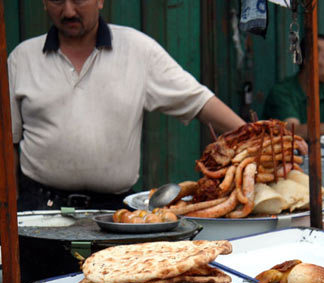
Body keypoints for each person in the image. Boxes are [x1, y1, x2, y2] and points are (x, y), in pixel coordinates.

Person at [9, 0, 246, 211]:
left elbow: (197, 101)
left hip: (114, 211)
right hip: (39, 210)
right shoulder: (23, 58)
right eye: (58, 1)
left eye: (79, 0)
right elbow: (6, 142)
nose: (69, 11)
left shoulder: (137, 49)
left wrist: (251, 135)